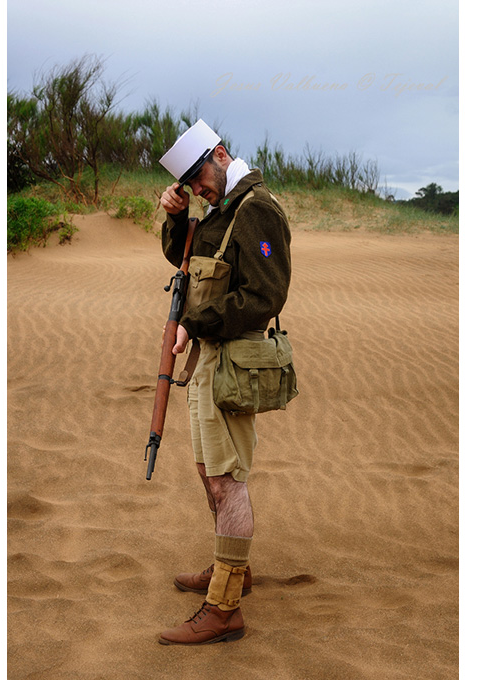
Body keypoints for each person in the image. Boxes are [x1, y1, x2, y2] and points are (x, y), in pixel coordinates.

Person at [155, 120, 291, 645]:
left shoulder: (256, 209)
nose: (197, 188)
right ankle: (233, 568)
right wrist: (176, 217)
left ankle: (225, 609)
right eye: (187, 183)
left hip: (233, 361)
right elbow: (188, 260)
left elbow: (265, 296)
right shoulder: (222, 210)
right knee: (207, 471)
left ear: (220, 153)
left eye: (199, 177)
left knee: (226, 480)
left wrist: (195, 324)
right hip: (209, 360)